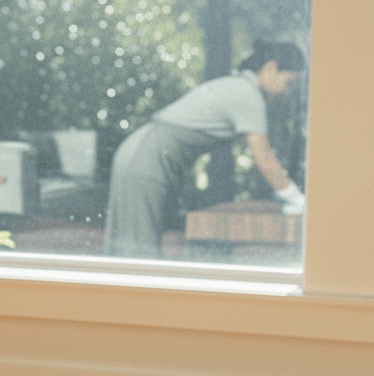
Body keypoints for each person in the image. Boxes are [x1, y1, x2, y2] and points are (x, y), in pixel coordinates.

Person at [104, 40, 307, 258]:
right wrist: (300, 201)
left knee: (128, 246)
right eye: (290, 83)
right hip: (147, 157)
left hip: (141, 152)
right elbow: (264, 158)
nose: (288, 92)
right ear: (270, 68)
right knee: (137, 252)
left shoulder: (238, 86)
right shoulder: (248, 94)